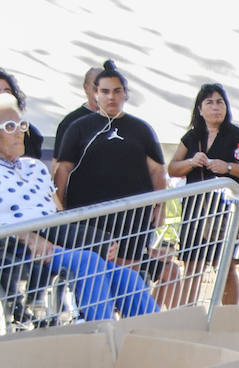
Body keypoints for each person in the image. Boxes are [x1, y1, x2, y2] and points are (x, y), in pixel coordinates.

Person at [0, 92, 157, 322]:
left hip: (53, 237)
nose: (19, 131)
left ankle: (154, 337)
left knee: (126, 276)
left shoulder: (34, 166)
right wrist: (27, 237)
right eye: (9, 126)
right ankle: (102, 333)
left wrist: (92, 238)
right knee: (87, 262)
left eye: (21, 125)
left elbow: (59, 213)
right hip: (11, 246)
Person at [54, 60, 175, 296]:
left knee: (130, 275)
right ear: (95, 93)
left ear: (125, 94)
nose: (111, 97)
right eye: (105, 91)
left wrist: (159, 208)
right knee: (95, 276)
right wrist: (61, 210)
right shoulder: (77, 128)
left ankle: (133, 325)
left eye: (117, 91)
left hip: (133, 218)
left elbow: (157, 171)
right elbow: (62, 169)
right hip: (89, 219)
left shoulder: (141, 129)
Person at [166, 82, 239, 306]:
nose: (216, 107)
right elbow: (173, 168)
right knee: (192, 263)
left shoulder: (237, 135)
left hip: (225, 209)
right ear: (200, 109)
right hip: (195, 209)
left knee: (225, 265)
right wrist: (190, 162)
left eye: (220, 102)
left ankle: (228, 315)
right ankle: (188, 311)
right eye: (210, 103)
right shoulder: (191, 137)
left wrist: (227, 167)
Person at [53, 66, 101, 157]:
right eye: (96, 88)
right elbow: (59, 165)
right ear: (86, 88)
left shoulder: (120, 121)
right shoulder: (70, 123)